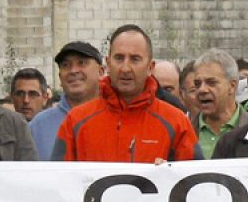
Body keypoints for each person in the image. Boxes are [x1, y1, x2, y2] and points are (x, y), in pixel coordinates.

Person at [54, 25, 196, 163]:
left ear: (150, 68)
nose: (125, 68)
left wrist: (167, 173)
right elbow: (57, 180)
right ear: (108, 63)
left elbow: (195, 180)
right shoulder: (76, 121)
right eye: (119, 58)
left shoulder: (176, 123)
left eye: (135, 59)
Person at [28, 40, 104, 159]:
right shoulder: (38, 126)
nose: (73, 71)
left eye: (82, 63)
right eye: (66, 65)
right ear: (60, 77)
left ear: (101, 72)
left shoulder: (115, 119)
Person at [191, 49, 248, 159]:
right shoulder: (183, 132)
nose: (202, 89)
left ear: (232, 86)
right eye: (197, 84)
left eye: (211, 83)